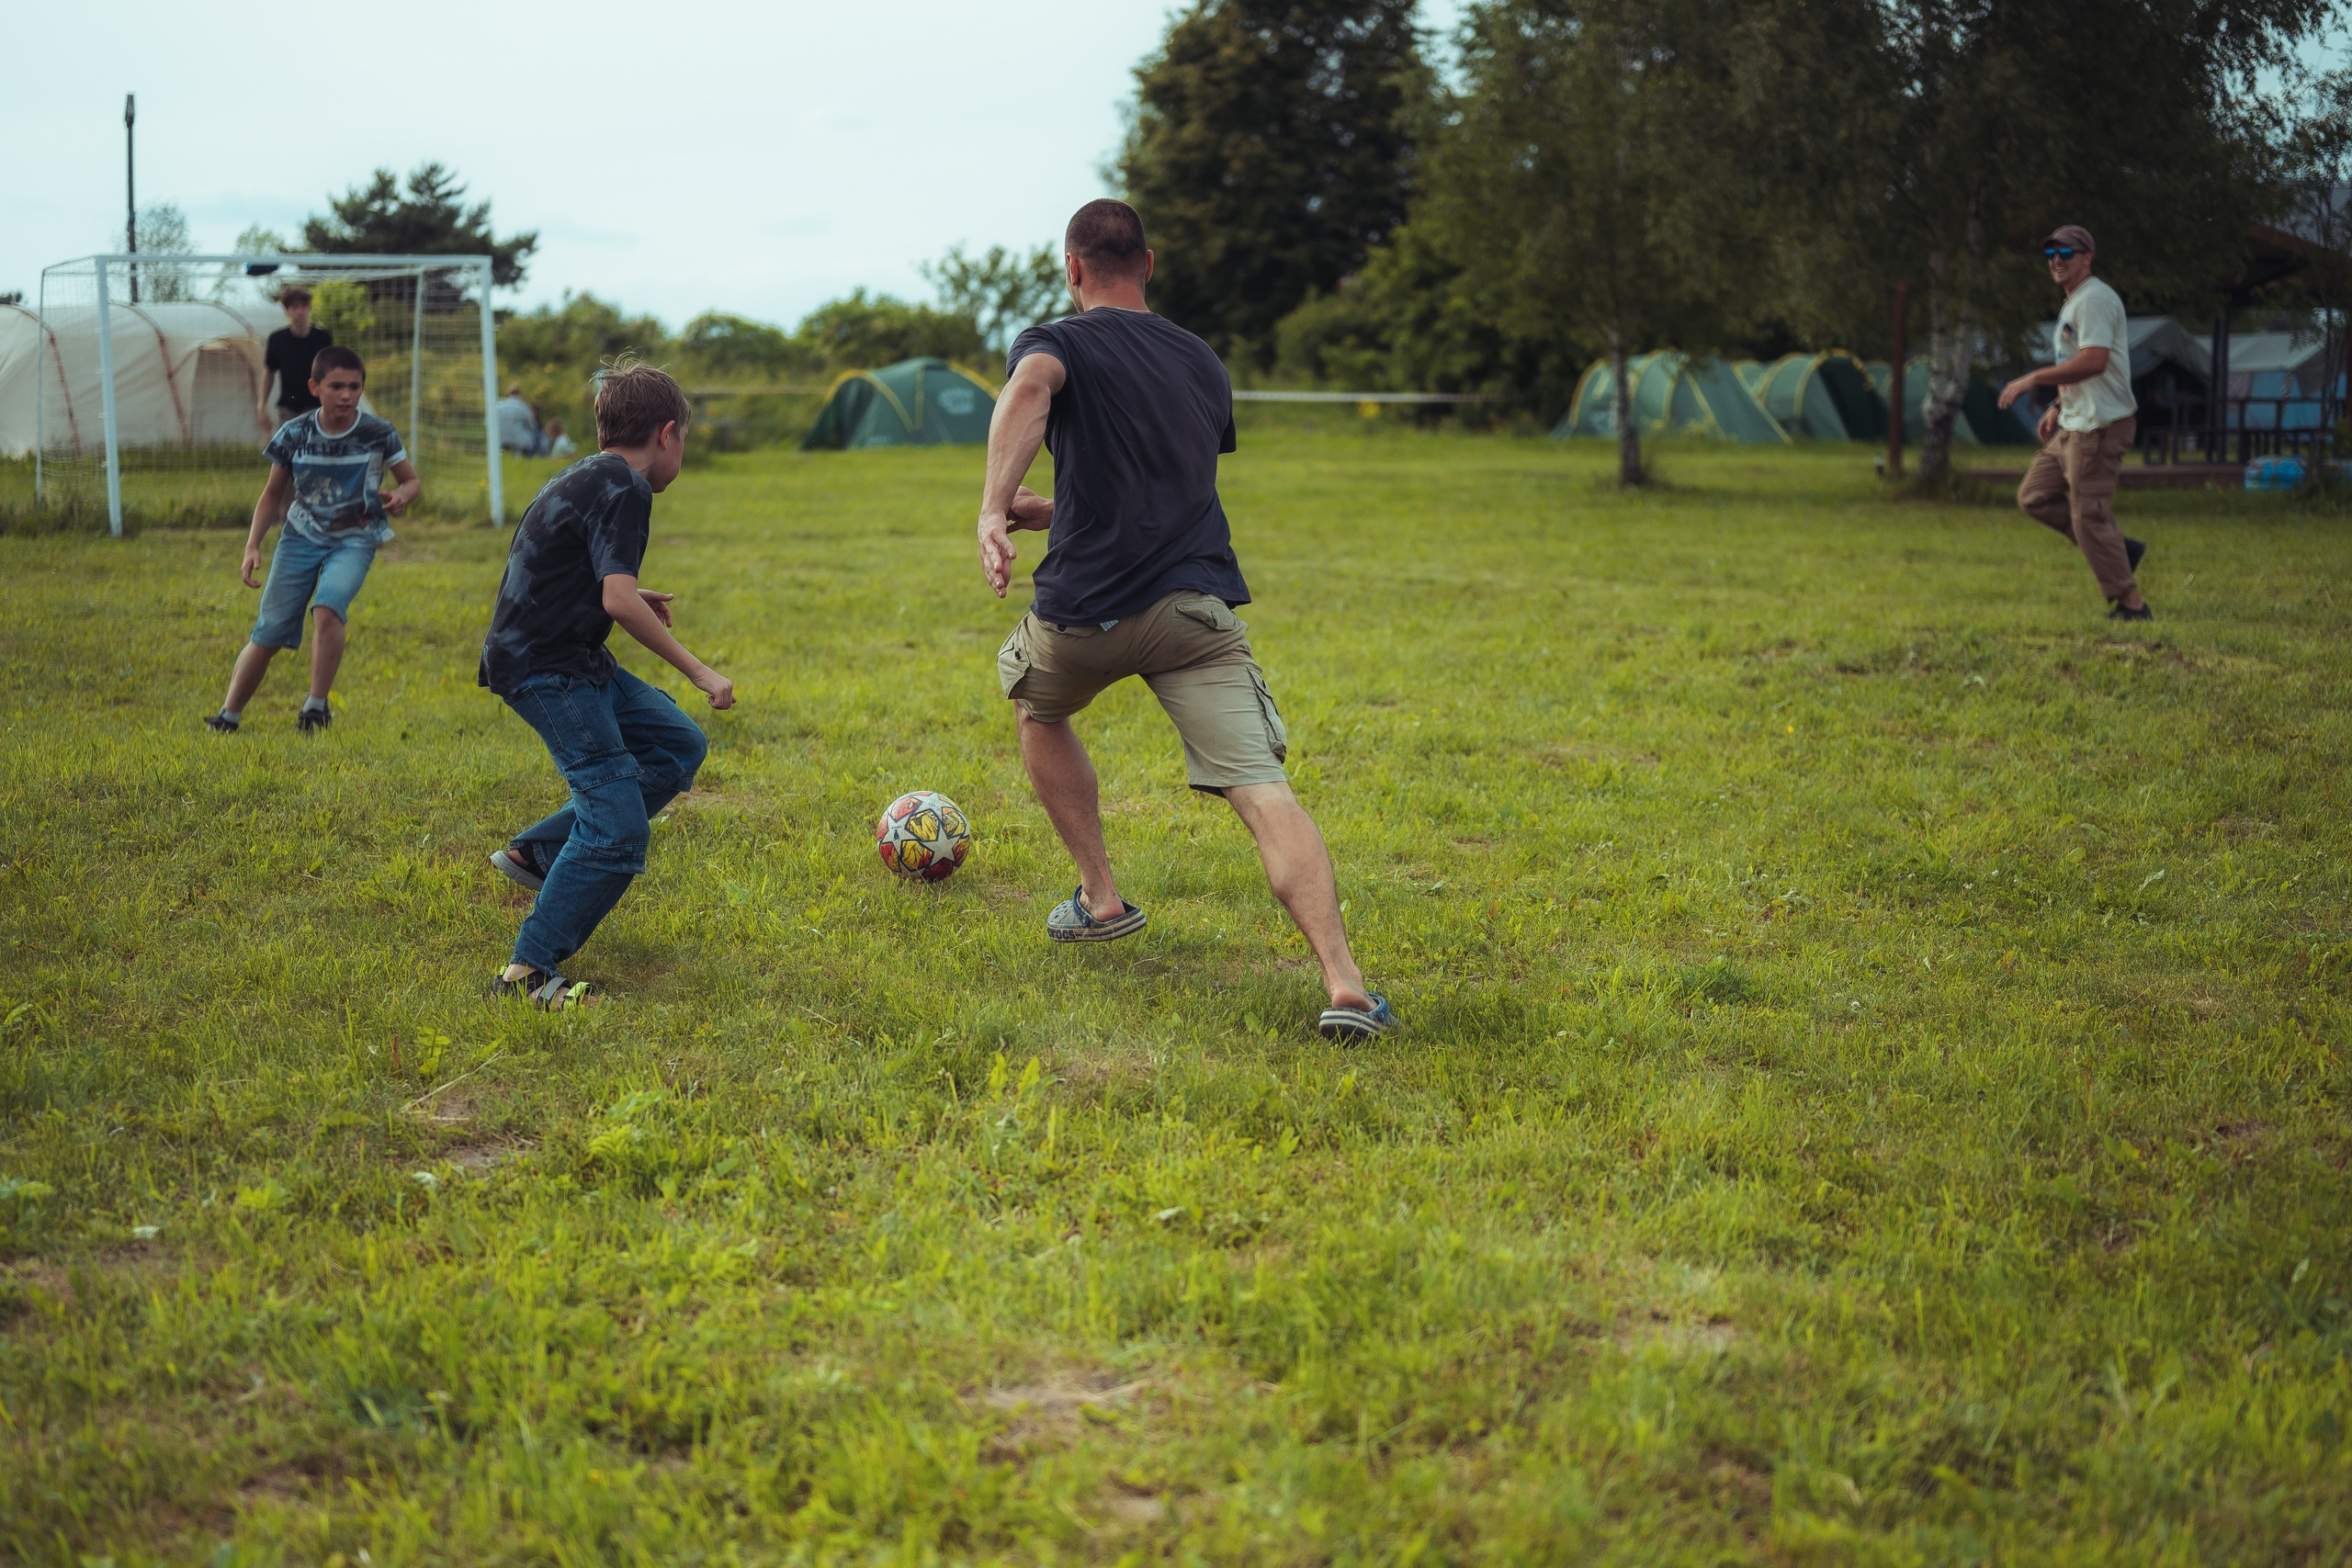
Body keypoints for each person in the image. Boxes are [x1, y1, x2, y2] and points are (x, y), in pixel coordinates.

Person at [976, 198, 1395, 1041]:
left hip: (1082, 616)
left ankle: (1100, 898)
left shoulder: (1058, 339)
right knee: (1266, 792)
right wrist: (1053, 508)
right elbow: (1159, 491)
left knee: (1036, 703)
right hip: (1192, 614)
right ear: (1150, 265)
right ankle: (1346, 983)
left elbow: (1029, 391)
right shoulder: (1202, 361)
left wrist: (991, 508)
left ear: (1073, 268)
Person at [478, 360, 734, 1010]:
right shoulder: (628, 486)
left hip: (568, 653)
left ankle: (540, 853)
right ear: (668, 433)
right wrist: (698, 669)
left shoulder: (590, 472)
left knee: (677, 745)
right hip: (547, 668)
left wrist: (621, 591)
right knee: (618, 825)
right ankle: (528, 972)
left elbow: (586, 572)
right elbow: (617, 601)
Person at [208, 345, 417, 735]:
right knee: (268, 632)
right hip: (300, 536)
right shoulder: (295, 433)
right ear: (314, 386)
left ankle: (315, 708)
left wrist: (402, 496)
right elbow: (272, 494)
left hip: (355, 538)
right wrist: (252, 545)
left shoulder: (378, 432)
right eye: (336, 386)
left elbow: (411, 479)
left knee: (328, 606)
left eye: (355, 387)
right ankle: (228, 715)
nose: (346, 395)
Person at [1998, 224, 2151, 621]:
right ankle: (2119, 550)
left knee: (2089, 516)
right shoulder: (2075, 301)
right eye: (2051, 254)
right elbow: (2080, 368)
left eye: (2066, 253)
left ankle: (2133, 607)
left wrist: (2034, 377)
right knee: (2033, 496)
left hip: (2099, 427)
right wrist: (2055, 404)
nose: (2057, 261)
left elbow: (2095, 360)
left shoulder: (2095, 298)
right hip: (2074, 422)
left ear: (2087, 257)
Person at [256, 286, 332, 431]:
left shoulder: (323, 338)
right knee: (289, 451)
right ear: (287, 310)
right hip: (289, 409)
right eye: (294, 306)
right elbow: (269, 372)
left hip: (318, 407)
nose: (300, 311)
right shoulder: (277, 339)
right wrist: (261, 404)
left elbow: (331, 372)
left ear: (309, 308)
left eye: (304, 305)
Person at [496, 385, 547, 457]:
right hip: (517, 440)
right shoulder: (523, 407)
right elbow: (532, 426)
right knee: (537, 434)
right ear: (519, 395)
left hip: (499, 438)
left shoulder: (498, 406)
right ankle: (538, 455)